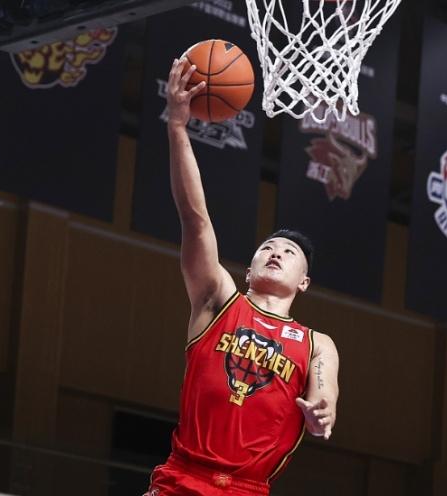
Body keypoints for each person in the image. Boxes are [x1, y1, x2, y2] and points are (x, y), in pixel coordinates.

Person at [145, 58, 340, 496]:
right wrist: (177, 126)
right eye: (268, 247)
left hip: (247, 489)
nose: (277, 253)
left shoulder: (316, 344)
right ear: (248, 270)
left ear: (304, 282)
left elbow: (324, 391)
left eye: (289, 252)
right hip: (183, 478)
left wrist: (322, 411)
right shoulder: (218, 300)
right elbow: (195, 219)